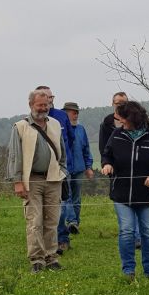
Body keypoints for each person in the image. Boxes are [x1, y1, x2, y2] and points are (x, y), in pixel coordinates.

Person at [101, 101, 149, 279]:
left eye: (123, 120)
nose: (120, 123)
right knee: (127, 231)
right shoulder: (117, 134)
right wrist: (106, 164)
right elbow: (106, 154)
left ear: (133, 118)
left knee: (148, 233)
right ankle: (128, 270)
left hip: (146, 196)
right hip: (121, 194)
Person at [7, 89, 67, 273]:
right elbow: (14, 156)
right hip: (31, 179)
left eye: (46, 104)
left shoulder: (55, 124)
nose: (43, 108)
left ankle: (51, 257)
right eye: (39, 105)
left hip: (53, 178)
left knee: (52, 220)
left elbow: (62, 151)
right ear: (31, 105)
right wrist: (17, 181)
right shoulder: (20, 127)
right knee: (35, 221)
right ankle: (37, 259)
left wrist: (62, 170)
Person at [36, 86, 76, 253]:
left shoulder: (61, 116)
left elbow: (70, 139)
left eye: (51, 96)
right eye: (45, 97)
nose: (49, 100)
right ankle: (45, 242)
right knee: (41, 209)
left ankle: (62, 239)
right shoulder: (30, 121)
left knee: (62, 205)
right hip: (39, 172)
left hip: (61, 169)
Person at [99, 92, 141, 248]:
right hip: (115, 169)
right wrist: (107, 163)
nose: (120, 105)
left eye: (123, 102)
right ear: (112, 103)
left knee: (137, 200)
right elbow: (104, 147)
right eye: (117, 103)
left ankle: (137, 236)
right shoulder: (107, 123)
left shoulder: (136, 121)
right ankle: (128, 232)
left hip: (135, 169)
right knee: (122, 202)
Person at [57, 102, 94, 253]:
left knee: (77, 198)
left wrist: (89, 166)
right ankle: (71, 221)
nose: (75, 114)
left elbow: (86, 148)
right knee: (67, 197)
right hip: (65, 169)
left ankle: (75, 223)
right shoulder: (59, 129)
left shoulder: (81, 129)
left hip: (78, 168)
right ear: (65, 113)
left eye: (77, 112)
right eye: (73, 112)